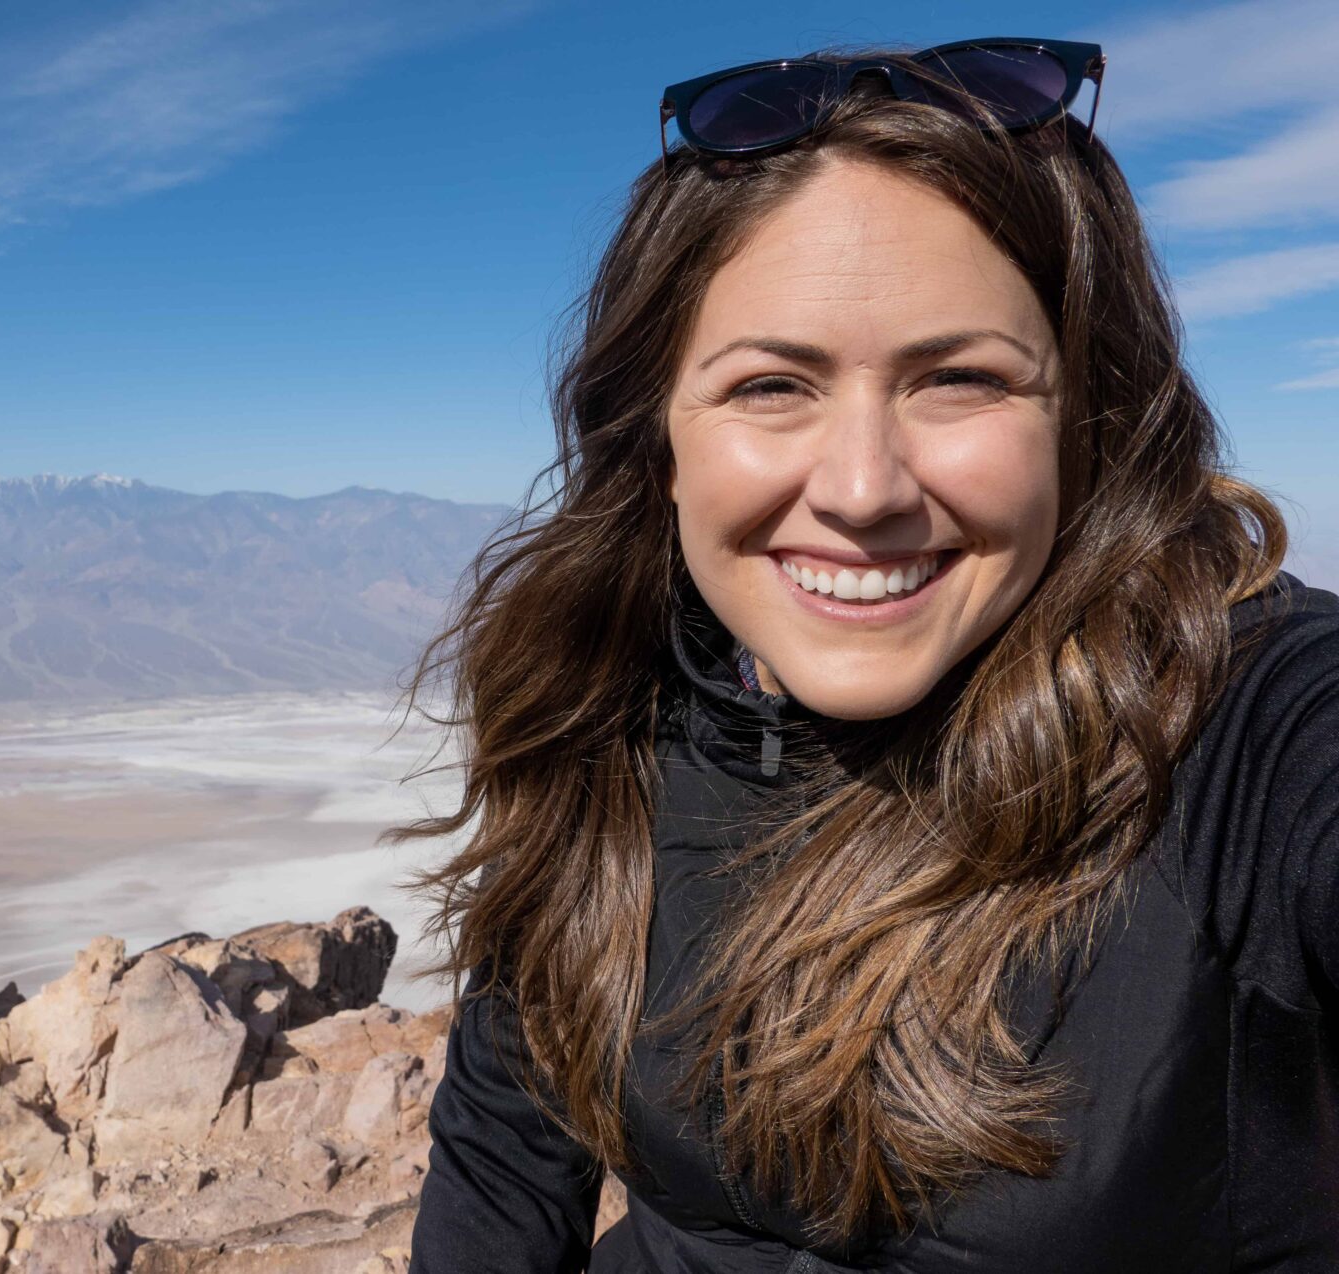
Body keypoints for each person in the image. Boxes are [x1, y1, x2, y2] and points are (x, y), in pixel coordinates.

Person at [401, 39, 1339, 1273]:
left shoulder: (1228, 726)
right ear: (657, 435)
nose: (860, 489)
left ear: (1087, 416)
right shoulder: (601, 708)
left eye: (959, 378)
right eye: (773, 384)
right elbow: (504, 1154)